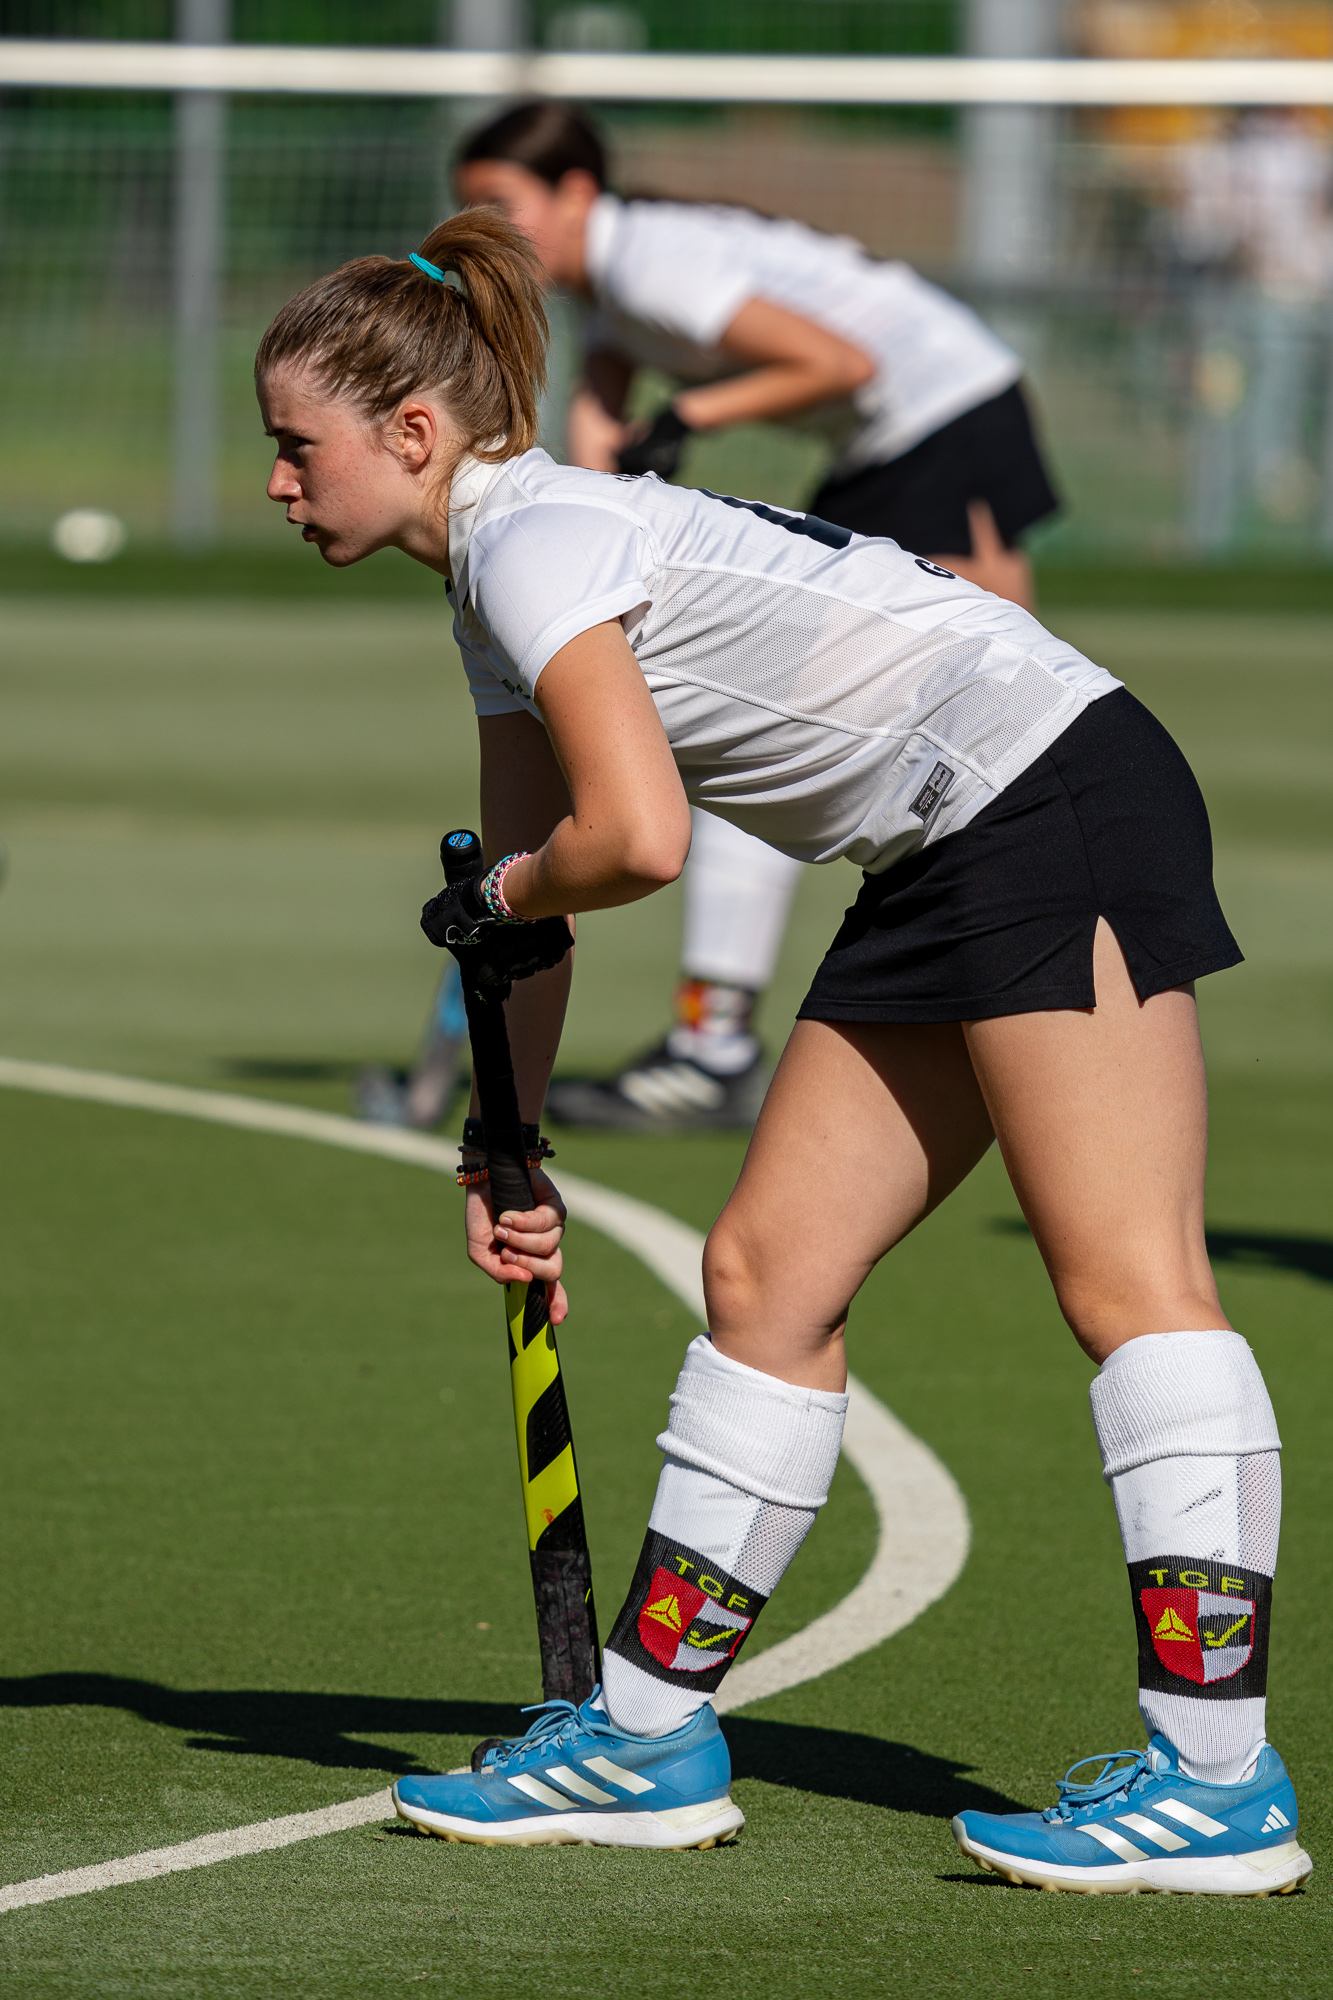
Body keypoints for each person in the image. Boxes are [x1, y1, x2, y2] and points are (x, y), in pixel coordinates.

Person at [254, 209, 1309, 1891]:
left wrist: (501, 893)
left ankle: (1216, 1780)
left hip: (1046, 796)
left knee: (1129, 1281)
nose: (278, 483)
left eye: (298, 448)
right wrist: (501, 1142)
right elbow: (531, 905)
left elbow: (632, 840)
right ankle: (645, 1740)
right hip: (941, 846)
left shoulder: (535, 544)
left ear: (414, 432)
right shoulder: (495, 581)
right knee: (764, 1276)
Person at [446, 98, 1060, 1131]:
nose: (489, 235)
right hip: (895, 442)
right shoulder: (609, 297)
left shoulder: (653, 267)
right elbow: (589, 467)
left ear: (577, 192)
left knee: (984, 718)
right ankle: (725, 1035)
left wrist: (687, 414)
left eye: (503, 206)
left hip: (941, 421)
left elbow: (843, 362)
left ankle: (728, 1043)